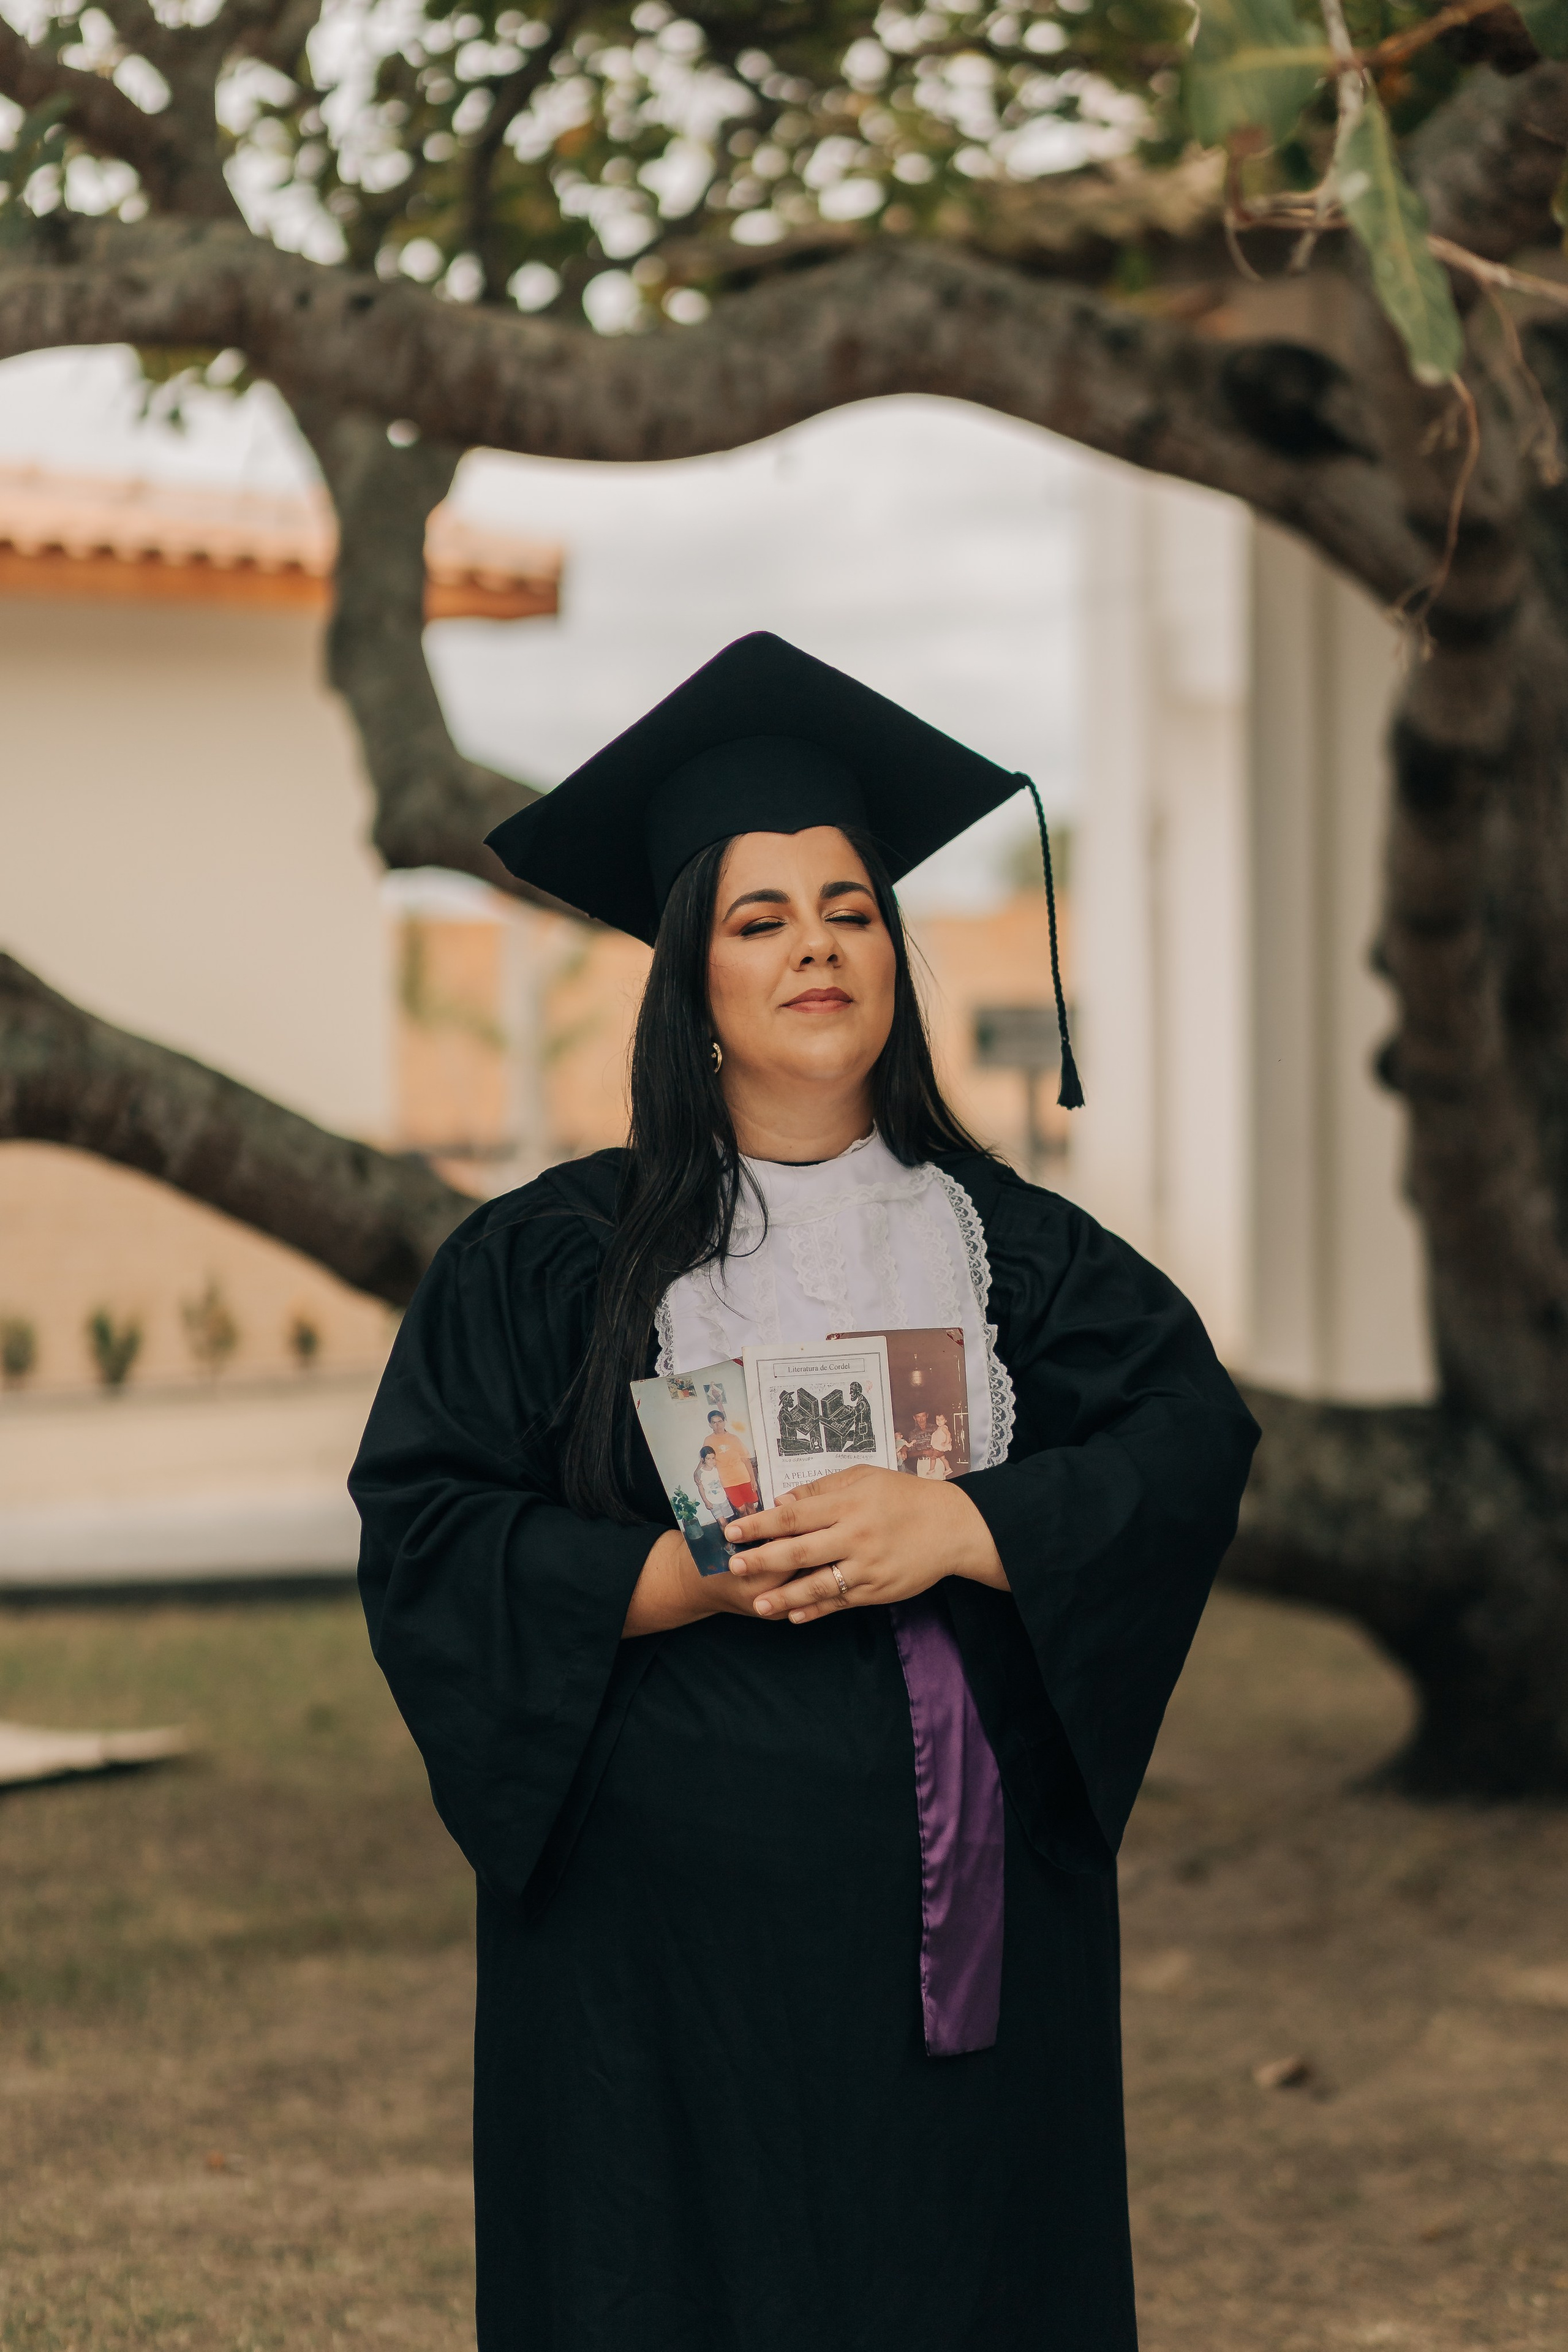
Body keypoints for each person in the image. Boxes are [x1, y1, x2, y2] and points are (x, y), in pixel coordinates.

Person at [350, 631, 1259, 2352]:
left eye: (848, 909)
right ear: (690, 977)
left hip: (954, 1913)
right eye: (759, 920)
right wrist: (672, 1583)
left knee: (951, 2273)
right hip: (653, 1949)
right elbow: (428, 1526)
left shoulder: (1014, 1250)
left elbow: (1185, 1443)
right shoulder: (547, 1260)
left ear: (895, 953)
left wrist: (969, 1527)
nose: (815, 948)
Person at [703, 1406, 758, 1513]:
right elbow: (704, 1460)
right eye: (714, 1423)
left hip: (743, 1478)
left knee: (751, 1506)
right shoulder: (708, 1441)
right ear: (710, 1425)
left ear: (724, 1422)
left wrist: (753, 1479)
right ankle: (746, 1530)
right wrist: (696, 1472)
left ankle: (757, 1530)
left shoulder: (734, 1438)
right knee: (741, 1510)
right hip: (728, 1482)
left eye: (720, 1421)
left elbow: (746, 1460)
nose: (718, 1425)